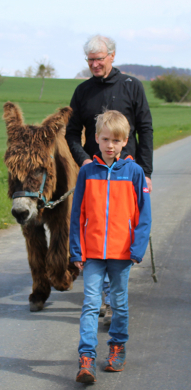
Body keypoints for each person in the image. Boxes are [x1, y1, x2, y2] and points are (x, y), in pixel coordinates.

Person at [69, 111, 151, 383]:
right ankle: (87, 358)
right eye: (105, 139)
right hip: (92, 252)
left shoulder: (134, 172)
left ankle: (117, 347)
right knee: (91, 304)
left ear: (125, 141)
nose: (110, 145)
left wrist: (137, 249)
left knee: (119, 303)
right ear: (96, 138)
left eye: (116, 140)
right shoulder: (87, 172)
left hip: (122, 253)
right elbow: (77, 213)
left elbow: (143, 214)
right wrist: (76, 249)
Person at [65, 34, 153, 192]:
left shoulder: (132, 86)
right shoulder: (82, 91)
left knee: (127, 216)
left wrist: (145, 173)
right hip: (94, 172)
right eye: (90, 60)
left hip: (128, 171)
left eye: (99, 59)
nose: (95, 64)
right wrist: (84, 160)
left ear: (112, 55)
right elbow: (71, 133)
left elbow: (145, 130)